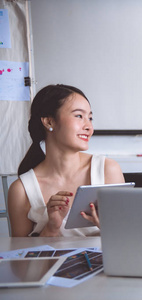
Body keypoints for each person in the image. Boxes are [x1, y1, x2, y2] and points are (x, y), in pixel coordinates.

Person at [8, 84, 125, 237]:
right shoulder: (21, 189)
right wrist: (51, 228)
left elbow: (128, 241)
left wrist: (108, 228)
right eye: (79, 116)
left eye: (90, 118)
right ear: (49, 122)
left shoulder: (107, 170)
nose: (89, 126)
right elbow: (22, 258)